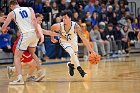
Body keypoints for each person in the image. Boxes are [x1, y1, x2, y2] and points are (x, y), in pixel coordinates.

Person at [2, 0, 44, 84]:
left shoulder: (12, 13)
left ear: (11, 6)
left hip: (26, 34)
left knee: (17, 56)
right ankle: (40, 71)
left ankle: (19, 78)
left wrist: (4, 29)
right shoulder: (30, 8)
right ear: (18, 4)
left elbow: (4, 26)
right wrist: (38, 32)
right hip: (34, 34)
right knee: (33, 53)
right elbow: (34, 20)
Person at [50, 10, 94, 77]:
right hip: (64, 41)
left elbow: (84, 39)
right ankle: (81, 70)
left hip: (73, 40)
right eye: (63, 18)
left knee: (74, 55)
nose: (64, 19)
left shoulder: (76, 26)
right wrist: (52, 38)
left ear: (70, 18)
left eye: (65, 18)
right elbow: (52, 28)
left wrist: (91, 51)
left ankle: (71, 65)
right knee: (72, 53)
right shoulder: (59, 26)